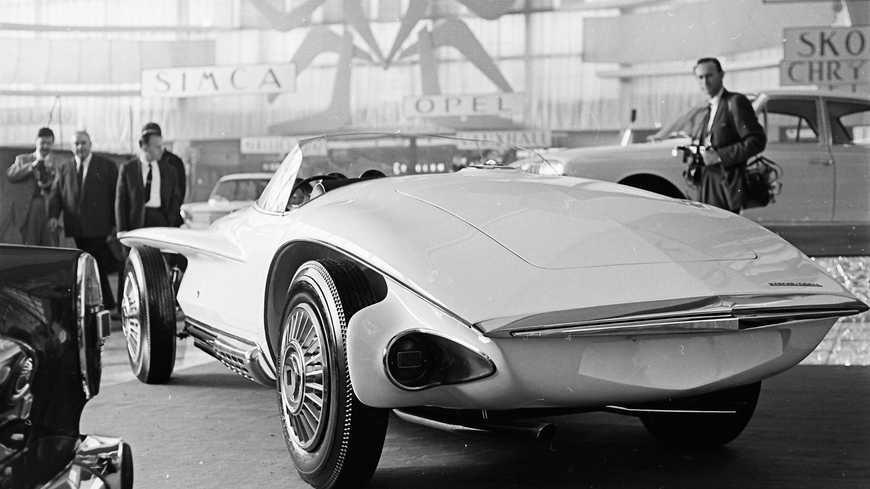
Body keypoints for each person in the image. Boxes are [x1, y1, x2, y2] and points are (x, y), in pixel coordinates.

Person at [48, 130, 119, 310]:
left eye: (83, 143)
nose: (80, 147)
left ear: (90, 144)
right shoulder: (64, 168)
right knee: (94, 262)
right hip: (78, 227)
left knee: (92, 261)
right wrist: (53, 216)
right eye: (76, 144)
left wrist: (115, 223)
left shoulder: (106, 166)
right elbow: (56, 194)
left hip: (100, 226)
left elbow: (115, 196)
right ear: (72, 147)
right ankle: (101, 303)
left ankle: (102, 303)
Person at [692, 57, 767, 213]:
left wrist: (720, 155)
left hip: (727, 186)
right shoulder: (710, 108)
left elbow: (757, 140)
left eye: (709, 75)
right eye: (700, 77)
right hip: (708, 183)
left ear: (721, 75)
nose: (705, 81)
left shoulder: (735, 102)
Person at [5, 127, 63, 246]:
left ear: (53, 143)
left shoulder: (59, 162)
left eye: (49, 143)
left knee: (51, 245)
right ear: (36, 141)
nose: (45, 146)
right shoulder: (23, 159)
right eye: (42, 143)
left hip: (51, 208)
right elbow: (10, 175)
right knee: (31, 245)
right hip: (29, 209)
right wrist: (31, 167)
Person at [141, 122, 186, 226]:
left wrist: (169, 219)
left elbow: (179, 193)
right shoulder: (140, 164)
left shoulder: (174, 162)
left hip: (167, 220)